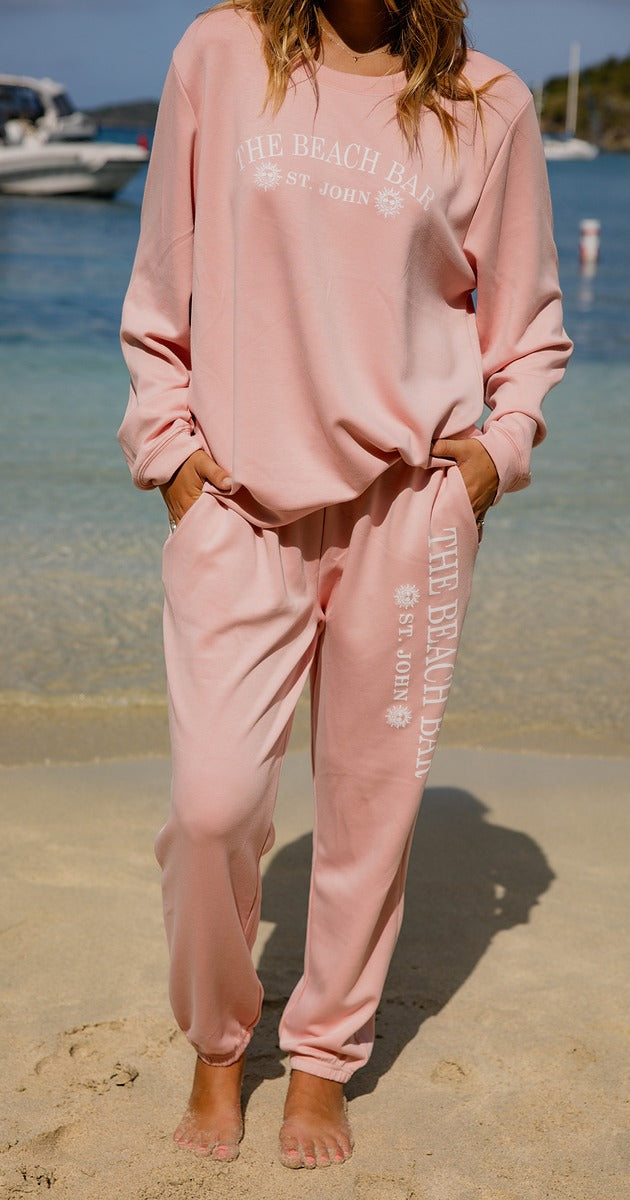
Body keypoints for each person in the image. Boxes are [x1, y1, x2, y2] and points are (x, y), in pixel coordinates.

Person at [118, 0, 572, 1170]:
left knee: (369, 810)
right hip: (236, 502)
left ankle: (321, 1060)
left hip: (410, 507)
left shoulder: (489, 103)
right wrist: (167, 451)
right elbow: (162, 280)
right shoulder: (221, 54)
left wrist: (496, 453)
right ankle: (220, 1043)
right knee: (213, 807)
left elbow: (525, 323)